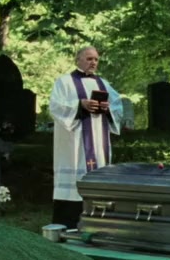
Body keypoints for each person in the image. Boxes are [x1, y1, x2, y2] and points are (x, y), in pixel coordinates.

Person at [49, 46, 122, 228]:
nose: (93, 62)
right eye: (89, 59)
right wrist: (79, 104)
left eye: (96, 59)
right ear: (78, 60)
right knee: (74, 180)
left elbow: (117, 106)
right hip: (74, 142)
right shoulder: (64, 82)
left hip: (98, 142)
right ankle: (68, 223)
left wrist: (108, 109)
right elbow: (55, 107)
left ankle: (100, 223)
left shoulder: (103, 83)